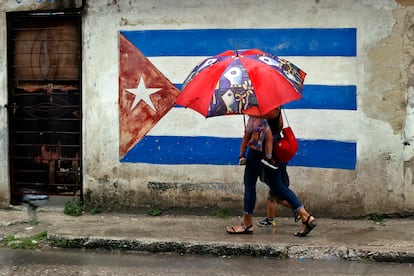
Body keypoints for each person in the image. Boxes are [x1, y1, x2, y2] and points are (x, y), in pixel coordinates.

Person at [226, 107, 317, 237]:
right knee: (277, 185)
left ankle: (247, 223)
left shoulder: (258, 107)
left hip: (258, 147)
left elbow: (249, 132)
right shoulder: (275, 103)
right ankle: (306, 217)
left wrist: (247, 112)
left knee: (250, 183)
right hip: (275, 144)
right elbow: (279, 125)